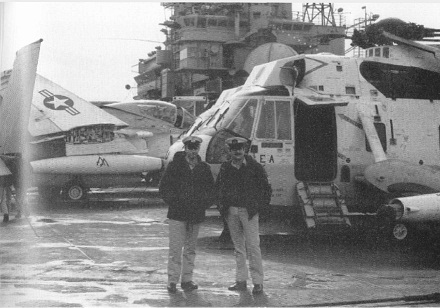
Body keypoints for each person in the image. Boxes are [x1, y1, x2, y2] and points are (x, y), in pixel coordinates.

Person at [159, 135, 215, 293]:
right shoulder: (174, 166)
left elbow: (211, 190)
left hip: (195, 214)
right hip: (177, 214)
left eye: (195, 148)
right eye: (190, 148)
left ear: (198, 149)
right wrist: (175, 203)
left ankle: (187, 280)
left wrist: (202, 205)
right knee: (175, 249)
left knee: (190, 249)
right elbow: (164, 188)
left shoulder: (204, 168)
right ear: (185, 148)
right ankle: (172, 281)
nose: (192, 151)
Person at [215, 137, 271, 295]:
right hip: (231, 212)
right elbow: (218, 187)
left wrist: (259, 207)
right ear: (230, 151)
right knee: (238, 248)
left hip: (249, 212)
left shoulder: (255, 167)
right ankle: (241, 281)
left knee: (253, 247)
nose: (237, 152)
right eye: (234, 149)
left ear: (245, 150)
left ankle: (258, 283)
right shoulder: (225, 168)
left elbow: (266, 189)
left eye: (240, 148)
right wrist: (221, 206)